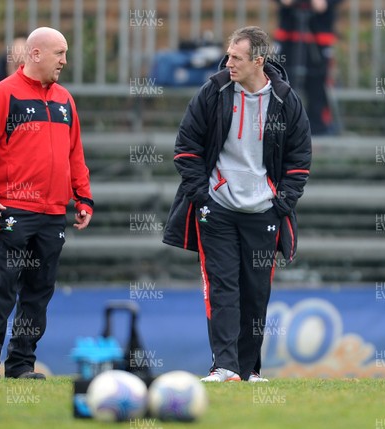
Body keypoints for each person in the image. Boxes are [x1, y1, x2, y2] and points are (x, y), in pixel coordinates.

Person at [163, 26, 311, 382]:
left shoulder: (285, 99)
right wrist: (203, 196)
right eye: (228, 54)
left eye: (236, 57)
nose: (227, 62)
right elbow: (186, 148)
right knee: (222, 288)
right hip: (217, 211)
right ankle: (224, 367)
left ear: (258, 61)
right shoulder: (212, 92)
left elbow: (300, 157)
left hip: (264, 213)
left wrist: (282, 202)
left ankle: (249, 370)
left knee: (256, 294)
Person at [0, 27, 94, 379]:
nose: (65, 61)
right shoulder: (1, 95)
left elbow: (75, 153)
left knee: (38, 292)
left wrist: (82, 196)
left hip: (53, 212)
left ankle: (22, 364)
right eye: (59, 53)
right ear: (35, 54)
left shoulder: (65, 100)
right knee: (3, 284)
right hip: (12, 210)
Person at [274, 0, 343, 135]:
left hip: (319, 31)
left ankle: (318, 128)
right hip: (289, 30)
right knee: (284, 78)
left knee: (318, 81)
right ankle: (284, 124)